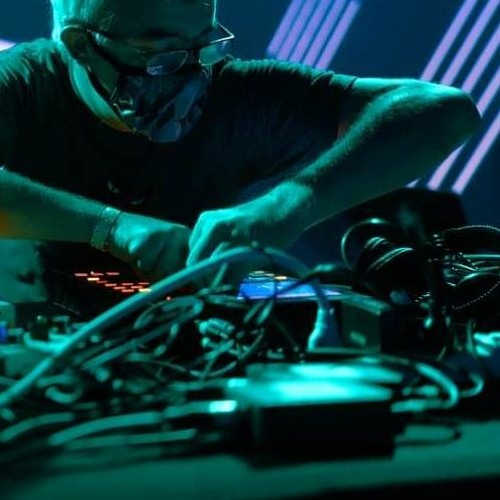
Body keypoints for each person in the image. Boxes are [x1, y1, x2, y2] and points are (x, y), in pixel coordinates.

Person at [0, 0, 481, 303]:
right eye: (161, 54)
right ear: (81, 46)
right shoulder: (21, 85)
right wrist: (111, 227)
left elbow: (444, 111)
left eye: (202, 46)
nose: (190, 75)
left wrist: (286, 206)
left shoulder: (240, 95)